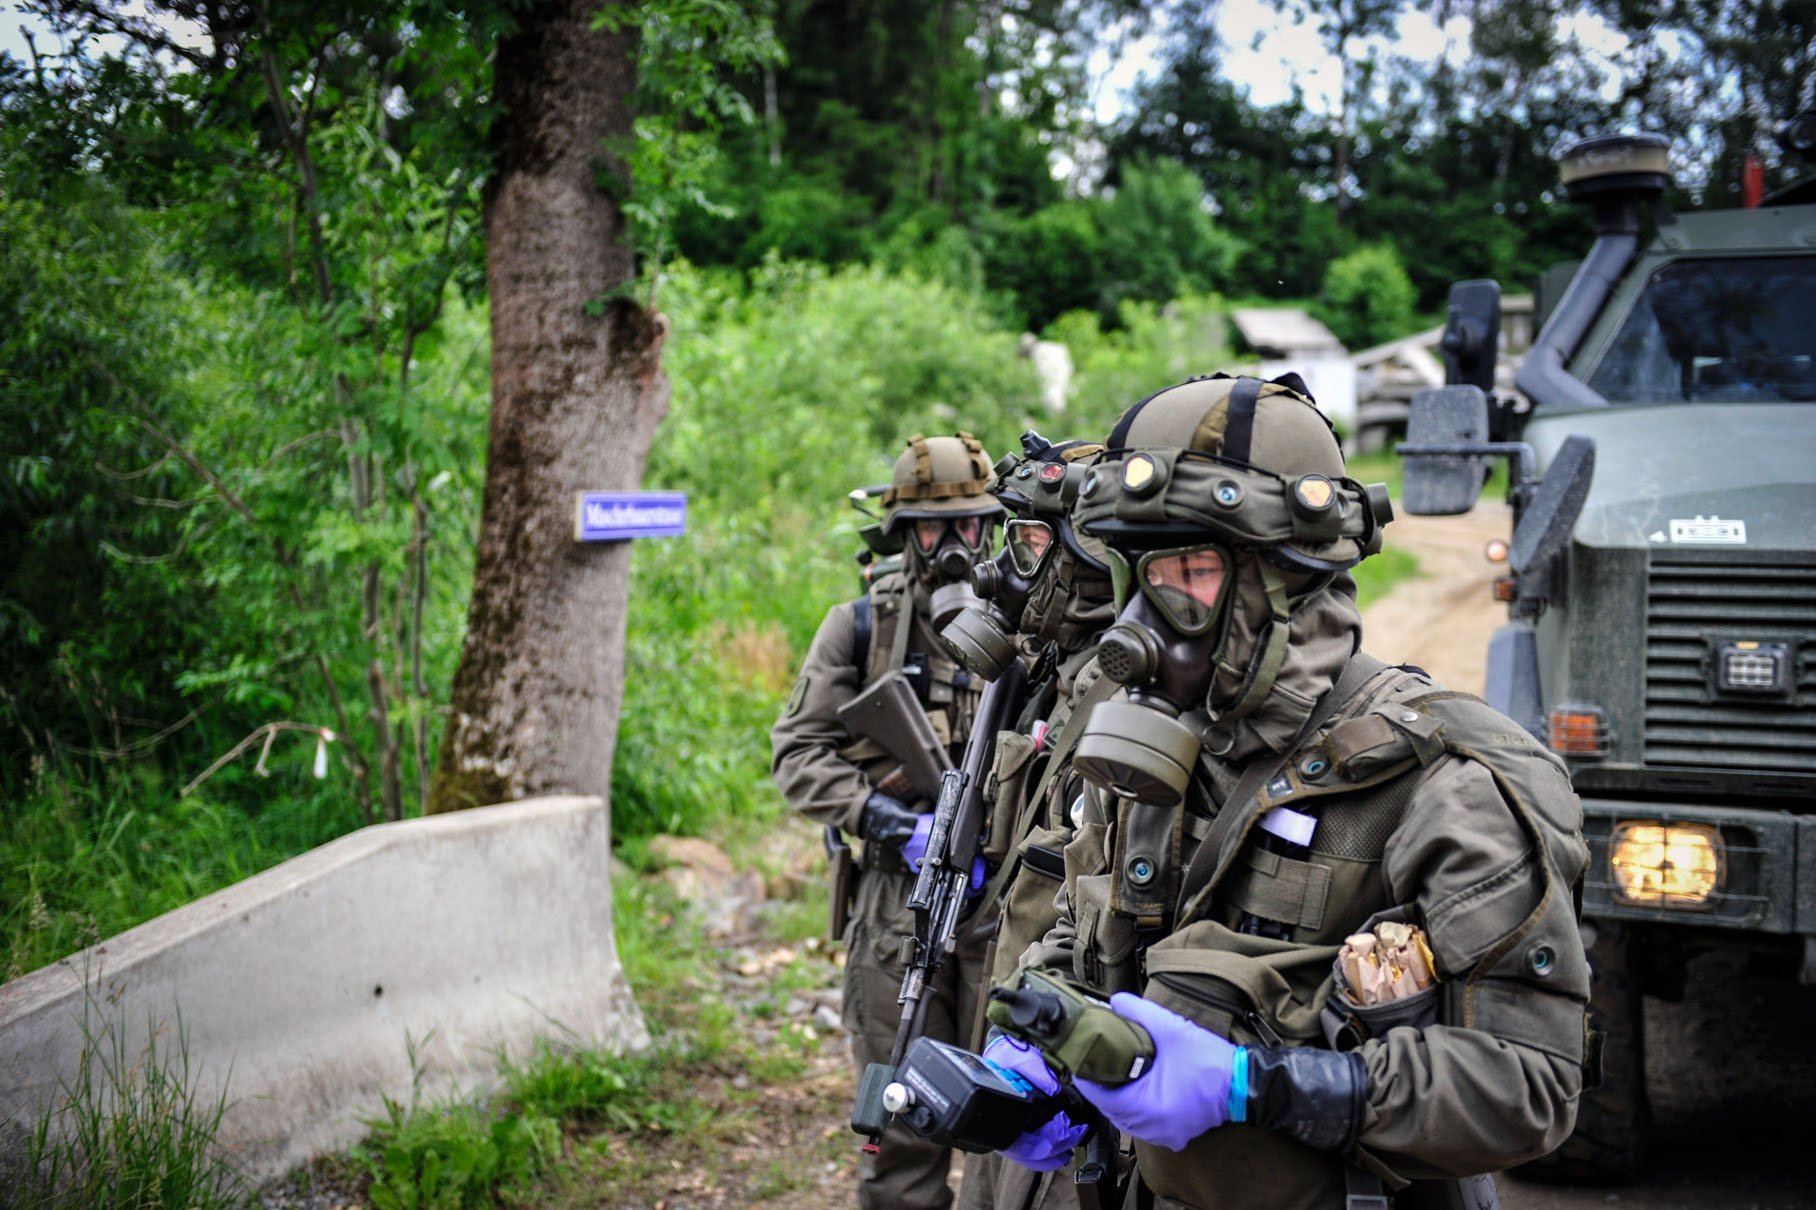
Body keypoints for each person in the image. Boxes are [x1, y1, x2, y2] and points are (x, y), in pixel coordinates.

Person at [985, 375, 1591, 1210]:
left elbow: (1528, 1088)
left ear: (1289, 581)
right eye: (1140, 574)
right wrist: (1037, 1050)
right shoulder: (1163, 749)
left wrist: (1255, 1085)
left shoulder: (1448, 781)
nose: (1145, 619)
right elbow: (1084, 927)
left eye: (1190, 571)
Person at [772, 432, 1004, 1210]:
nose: (955, 544)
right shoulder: (860, 627)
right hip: (895, 899)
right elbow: (799, 755)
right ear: (905, 533)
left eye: (972, 524)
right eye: (936, 528)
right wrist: (882, 820)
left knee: (1018, 1116)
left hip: (1000, 898)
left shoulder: (1026, 628)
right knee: (902, 1115)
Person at [940, 435, 1119, 1210]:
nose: (1008, 569)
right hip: (1017, 988)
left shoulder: (1117, 692)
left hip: (1067, 1018)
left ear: (1092, 555)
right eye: (1016, 542)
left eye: (1035, 545)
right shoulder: (1049, 671)